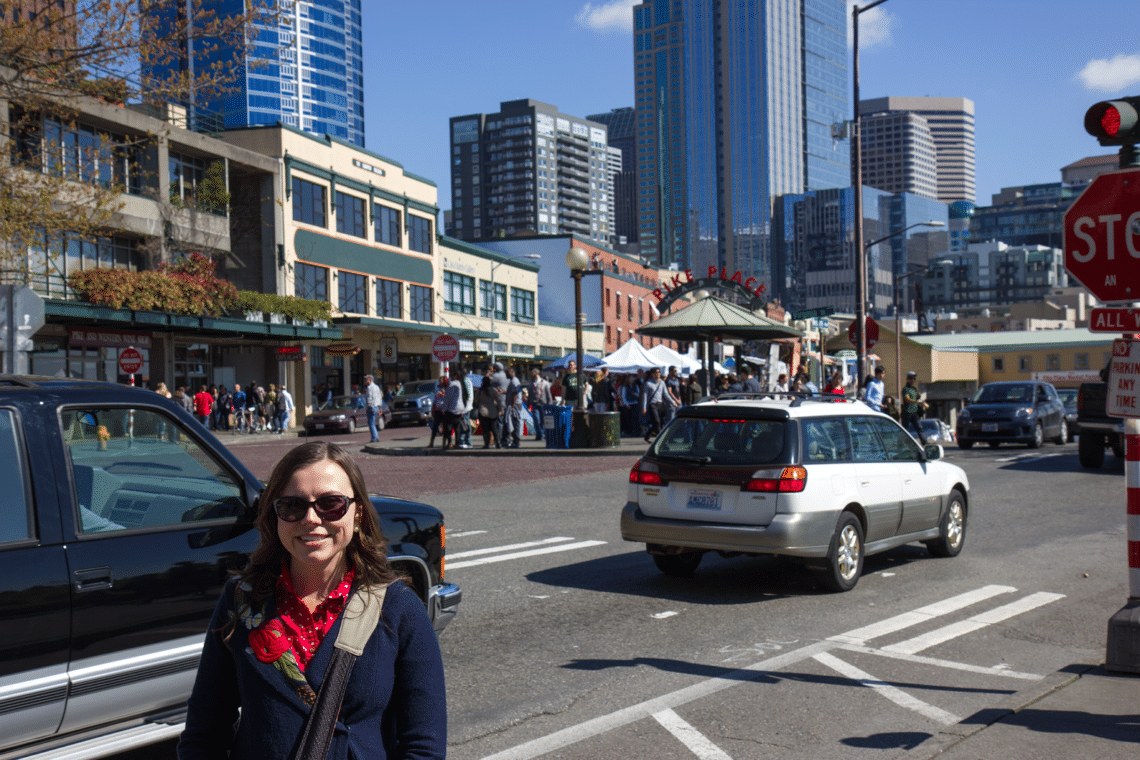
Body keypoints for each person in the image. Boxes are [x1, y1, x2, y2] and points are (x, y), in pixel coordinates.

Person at [177, 441, 446, 760]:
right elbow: (204, 733)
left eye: (331, 504)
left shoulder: (399, 609)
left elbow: (423, 747)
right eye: (292, 505)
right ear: (276, 516)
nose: (311, 519)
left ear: (357, 513)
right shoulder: (243, 601)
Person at [475, 367, 501, 449]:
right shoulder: (493, 390)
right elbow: (499, 401)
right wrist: (499, 409)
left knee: (485, 430)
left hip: (483, 411)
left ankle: (486, 444)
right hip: (492, 411)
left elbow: (476, 401)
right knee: (494, 429)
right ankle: (498, 443)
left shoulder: (480, 391)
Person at [640, 367, 667, 443]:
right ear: (652, 374)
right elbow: (644, 396)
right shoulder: (648, 383)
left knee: (657, 423)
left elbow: (666, 394)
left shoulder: (662, 382)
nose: (658, 374)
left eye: (659, 372)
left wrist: (673, 401)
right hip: (652, 405)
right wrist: (644, 407)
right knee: (657, 422)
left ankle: (647, 436)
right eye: (656, 372)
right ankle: (662, 439)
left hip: (660, 405)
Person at [901, 370, 927, 443]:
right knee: (905, 430)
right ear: (907, 379)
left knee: (919, 428)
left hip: (914, 412)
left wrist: (918, 397)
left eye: (914, 378)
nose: (913, 380)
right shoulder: (906, 389)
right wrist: (918, 401)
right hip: (907, 412)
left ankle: (924, 442)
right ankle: (904, 444)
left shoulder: (914, 389)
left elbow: (915, 399)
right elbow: (907, 399)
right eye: (911, 378)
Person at [440, 374, 464, 450]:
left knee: (448, 427)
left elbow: (446, 401)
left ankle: (450, 443)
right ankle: (457, 443)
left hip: (451, 410)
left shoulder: (448, 389)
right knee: (457, 427)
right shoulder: (458, 383)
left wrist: (443, 411)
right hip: (460, 409)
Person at [528, 369, 552, 442]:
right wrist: (529, 404)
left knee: (543, 420)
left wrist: (549, 404)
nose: (532, 374)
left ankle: (542, 434)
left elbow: (548, 394)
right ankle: (539, 434)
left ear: (537, 373)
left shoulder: (545, 383)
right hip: (535, 403)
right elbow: (530, 394)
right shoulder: (531, 383)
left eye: (533, 372)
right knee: (536, 420)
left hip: (543, 403)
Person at [427, 376, 448, 448]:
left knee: (445, 427)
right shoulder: (437, 389)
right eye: (439, 380)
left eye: (442, 380)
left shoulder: (447, 388)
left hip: (444, 410)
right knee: (435, 426)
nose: (440, 381)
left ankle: (444, 443)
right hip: (437, 410)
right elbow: (434, 400)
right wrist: (432, 410)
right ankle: (431, 442)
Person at [363, 374, 383, 443]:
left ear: (370, 380)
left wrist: (368, 406)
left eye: (366, 379)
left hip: (372, 407)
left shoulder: (369, 388)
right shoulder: (377, 387)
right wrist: (380, 407)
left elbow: (369, 398)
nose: (365, 381)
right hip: (377, 406)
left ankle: (374, 437)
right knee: (373, 422)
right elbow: (380, 397)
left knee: (371, 423)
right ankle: (376, 436)